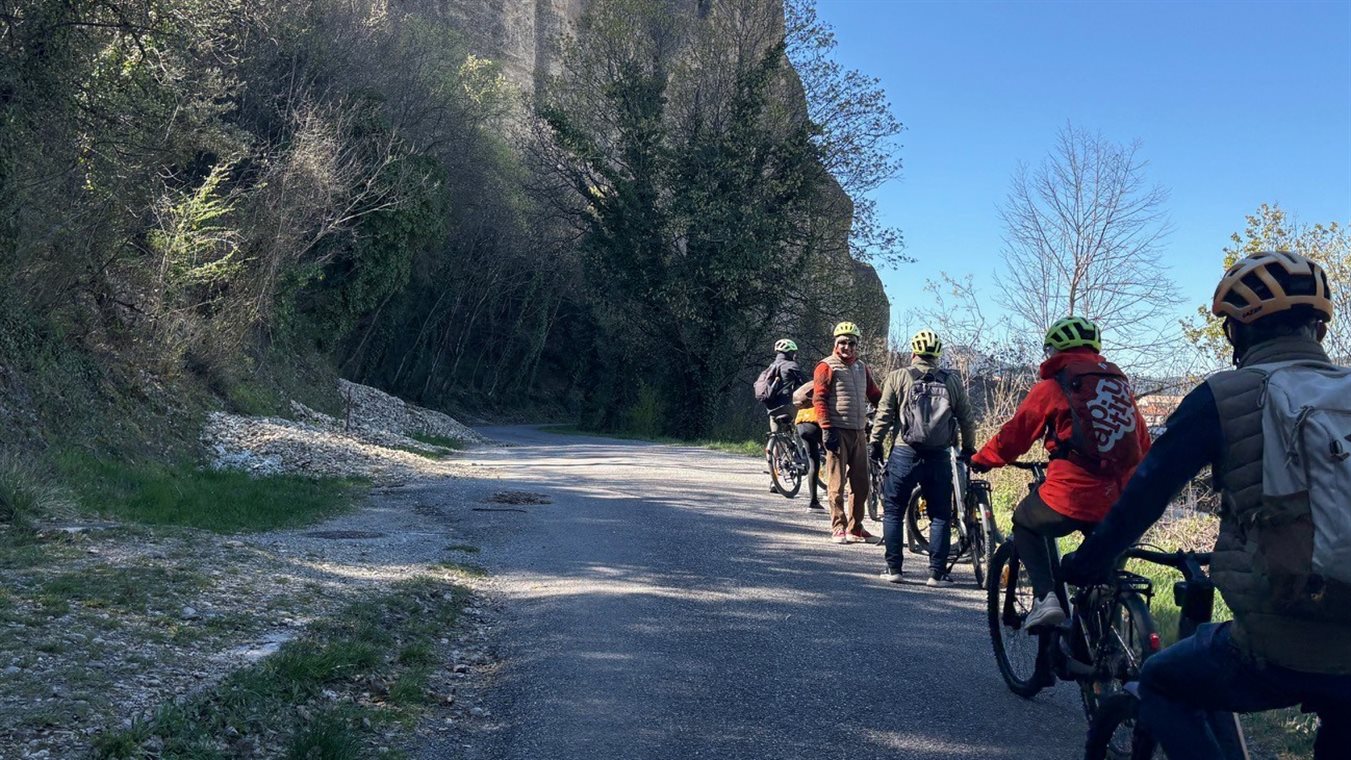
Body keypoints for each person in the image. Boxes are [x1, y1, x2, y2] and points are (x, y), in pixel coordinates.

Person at [1060, 251, 1351, 759]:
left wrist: (1090, 561)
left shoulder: (1224, 395)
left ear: (1236, 334)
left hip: (1281, 641)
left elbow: (1144, 495)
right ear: (1320, 331)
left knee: (1162, 681)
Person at [969, 316, 1149, 619]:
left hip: (1072, 495)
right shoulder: (1119, 387)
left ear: (1054, 351)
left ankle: (1045, 600)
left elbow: (1017, 434)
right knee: (1100, 574)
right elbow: (1142, 442)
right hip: (1122, 498)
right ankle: (1103, 647)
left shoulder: (1055, 385)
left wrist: (983, 460)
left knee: (1025, 521)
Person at [871, 329, 977, 585]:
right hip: (939, 456)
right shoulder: (951, 380)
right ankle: (936, 573)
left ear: (913, 352)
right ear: (938, 355)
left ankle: (894, 569)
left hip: (904, 452)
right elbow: (966, 418)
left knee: (894, 511)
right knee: (939, 514)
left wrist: (875, 442)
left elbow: (884, 414)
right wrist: (968, 449)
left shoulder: (898, 377)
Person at [813, 322, 882, 543]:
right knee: (836, 483)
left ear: (857, 345)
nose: (847, 347)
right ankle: (838, 526)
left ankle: (856, 527)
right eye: (842, 342)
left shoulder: (862, 367)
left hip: (859, 431)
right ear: (835, 343)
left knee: (861, 484)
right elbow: (819, 398)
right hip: (837, 430)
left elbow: (874, 395)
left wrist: (893, 407)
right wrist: (826, 428)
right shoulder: (826, 366)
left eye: (852, 343)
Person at [759, 339, 807, 493]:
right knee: (803, 426)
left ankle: (774, 479)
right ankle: (802, 456)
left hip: (771, 410)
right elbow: (806, 384)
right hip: (788, 407)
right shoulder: (792, 366)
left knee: (776, 437)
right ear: (791, 353)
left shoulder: (769, 369)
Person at [792, 380, 825, 510]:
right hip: (815, 422)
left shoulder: (811, 385)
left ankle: (813, 502)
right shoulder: (831, 384)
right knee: (836, 456)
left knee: (813, 461)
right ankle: (833, 492)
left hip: (801, 423)